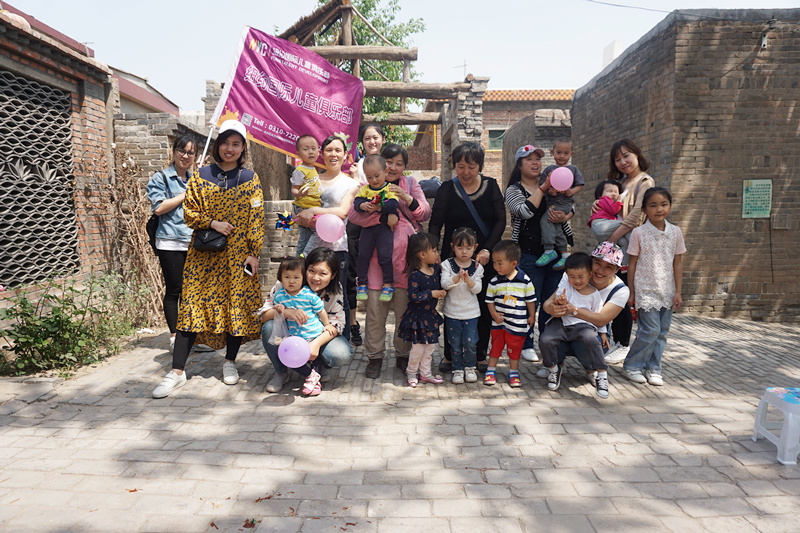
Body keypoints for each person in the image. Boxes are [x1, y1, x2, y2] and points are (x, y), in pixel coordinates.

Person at [152, 119, 264, 399]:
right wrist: (213, 222)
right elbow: (189, 213)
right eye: (225, 142)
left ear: (243, 148)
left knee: (235, 305)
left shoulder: (251, 179)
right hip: (203, 255)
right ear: (217, 145)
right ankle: (177, 371)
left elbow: (256, 219)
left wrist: (254, 252)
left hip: (239, 255)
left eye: (236, 144)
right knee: (191, 306)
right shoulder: (200, 175)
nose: (230, 148)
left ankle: (230, 362)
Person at [348, 144, 431, 378]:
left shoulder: (411, 184)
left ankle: (403, 356)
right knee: (375, 314)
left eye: (399, 163)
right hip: (376, 264)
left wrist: (406, 199)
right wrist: (383, 216)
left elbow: (424, 213)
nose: (393, 167)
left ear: (405, 166)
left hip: (406, 264)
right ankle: (374, 357)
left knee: (404, 313)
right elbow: (354, 216)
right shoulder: (366, 187)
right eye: (389, 162)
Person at [429, 142, 506, 374]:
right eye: (460, 166)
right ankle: (450, 356)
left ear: (480, 166)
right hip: (452, 259)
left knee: (481, 304)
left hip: (482, 258)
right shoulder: (446, 188)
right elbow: (435, 223)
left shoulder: (491, 187)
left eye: (471, 167)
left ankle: (479, 354)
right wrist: (432, 252)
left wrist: (488, 249)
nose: (465, 172)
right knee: (452, 305)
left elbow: (500, 221)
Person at [505, 144, 575, 363]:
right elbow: (524, 212)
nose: (535, 163)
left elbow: (569, 204)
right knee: (528, 300)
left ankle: (547, 341)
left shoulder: (556, 184)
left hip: (556, 253)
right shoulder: (514, 190)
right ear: (519, 164)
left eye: (538, 159)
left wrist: (567, 215)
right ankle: (526, 343)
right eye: (529, 159)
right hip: (528, 254)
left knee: (550, 300)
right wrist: (543, 189)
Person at [146, 135, 210, 353]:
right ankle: (175, 339)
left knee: (193, 292)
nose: (186, 156)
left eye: (190, 153)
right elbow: (158, 208)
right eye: (182, 151)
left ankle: (193, 337)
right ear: (173, 152)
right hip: (170, 241)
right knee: (175, 290)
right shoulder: (161, 178)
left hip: (194, 242)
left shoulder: (194, 178)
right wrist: (187, 193)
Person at [260, 248, 352, 393]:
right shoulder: (286, 283)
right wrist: (288, 312)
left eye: (323, 273)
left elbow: (337, 325)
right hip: (290, 331)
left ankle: (319, 366)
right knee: (269, 328)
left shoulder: (336, 290)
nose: (316, 278)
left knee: (340, 353)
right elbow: (264, 315)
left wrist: (315, 345)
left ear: (333, 275)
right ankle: (281, 372)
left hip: (316, 333)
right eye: (312, 271)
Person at [538, 242, 630, 385]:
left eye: (608, 267)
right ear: (590, 262)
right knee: (548, 338)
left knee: (590, 342)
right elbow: (547, 303)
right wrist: (552, 309)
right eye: (597, 263)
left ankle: (591, 369)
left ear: (617, 269)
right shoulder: (574, 274)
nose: (600, 270)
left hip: (593, 329)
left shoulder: (620, 290)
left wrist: (573, 310)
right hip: (564, 325)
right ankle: (555, 364)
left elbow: (601, 320)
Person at [297, 134, 360, 340]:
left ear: (345, 155)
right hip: (309, 245)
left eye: (338, 150)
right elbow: (300, 208)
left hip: (336, 248)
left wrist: (315, 210)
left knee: (338, 296)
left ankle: (342, 341)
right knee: (306, 293)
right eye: (329, 150)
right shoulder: (311, 178)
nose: (333, 154)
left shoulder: (351, 184)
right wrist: (304, 216)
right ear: (321, 154)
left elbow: (342, 212)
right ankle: (307, 336)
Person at [598, 139, 655, 363]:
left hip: (631, 247)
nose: (622, 162)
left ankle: (626, 345)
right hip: (618, 247)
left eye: (626, 156)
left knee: (626, 295)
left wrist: (612, 238)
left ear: (637, 155)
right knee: (614, 293)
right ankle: (618, 343)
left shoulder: (645, 182)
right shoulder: (620, 183)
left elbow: (638, 215)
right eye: (617, 158)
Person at [622, 187, 685, 386]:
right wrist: (631, 292)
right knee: (649, 330)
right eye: (653, 205)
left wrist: (678, 291)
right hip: (645, 290)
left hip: (666, 290)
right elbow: (631, 264)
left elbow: (678, 263)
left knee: (662, 332)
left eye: (664, 204)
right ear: (644, 209)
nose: (659, 209)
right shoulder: (638, 233)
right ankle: (633, 365)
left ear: (670, 206)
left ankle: (654, 367)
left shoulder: (675, 232)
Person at [538, 253, 609, 398]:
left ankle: (601, 374)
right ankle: (553, 368)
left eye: (580, 277)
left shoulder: (595, 294)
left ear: (589, 274)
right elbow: (556, 303)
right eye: (572, 276)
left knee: (591, 339)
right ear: (566, 275)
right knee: (545, 340)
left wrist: (602, 333)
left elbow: (598, 315)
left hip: (583, 326)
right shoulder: (565, 287)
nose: (576, 281)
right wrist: (560, 301)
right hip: (561, 323)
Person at [268, 257, 338, 396]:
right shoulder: (280, 295)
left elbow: (321, 310)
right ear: (280, 278)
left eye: (296, 277)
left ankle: (314, 381)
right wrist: (281, 309)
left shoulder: (308, 294)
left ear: (303, 278)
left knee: (314, 359)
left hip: (314, 333)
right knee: (293, 359)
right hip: (295, 337)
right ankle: (311, 376)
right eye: (287, 277)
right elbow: (277, 309)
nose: (291, 281)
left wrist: (327, 324)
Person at [347, 124, 386, 345]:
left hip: (382, 223)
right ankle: (353, 323)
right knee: (353, 271)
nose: (372, 142)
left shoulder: (389, 161)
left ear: (382, 139)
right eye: (367, 138)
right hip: (359, 223)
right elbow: (355, 195)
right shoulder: (356, 165)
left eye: (375, 137)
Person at [484, 240, 537, 387]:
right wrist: (494, 314)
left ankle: (514, 372)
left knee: (515, 349)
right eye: (494, 262)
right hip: (499, 323)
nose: (496, 266)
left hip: (518, 324)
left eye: (500, 263)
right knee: (495, 347)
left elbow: (530, 300)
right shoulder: (494, 281)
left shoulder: (525, 281)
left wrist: (532, 315)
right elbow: (489, 300)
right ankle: (490, 370)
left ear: (514, 264)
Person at [397, 233, 445, 387]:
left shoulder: (435, 270)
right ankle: (411, 372)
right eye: (435, 250)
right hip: (418, 318)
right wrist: (432, 293)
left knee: (430, 347)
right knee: (417, 348)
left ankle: (425, 373)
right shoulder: (416, 275)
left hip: (430, 317)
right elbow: (413, 296)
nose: (437, 254)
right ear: (422, 254)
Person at [353, 154, 399, 302]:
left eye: (377, 176)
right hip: (368, 229)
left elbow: (393, 205)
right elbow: (356, 203)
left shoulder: (390, 188)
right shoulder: (365, 189)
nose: (373, 180)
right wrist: (361, 205)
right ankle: (361, 283)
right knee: (363, 255)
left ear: (385, 172)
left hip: (384, 229)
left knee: (385, 256)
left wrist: (379, 207)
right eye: (369, 177)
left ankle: (388, 284)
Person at [441, 227, 483, 384]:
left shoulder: (477, 267)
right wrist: (457, 278)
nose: (464, 251)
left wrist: (468, 280)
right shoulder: (447, 264)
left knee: (470, 342)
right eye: (460, 247)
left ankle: (470, 366)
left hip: (471, 312)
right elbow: (444, 284)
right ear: (452, 247)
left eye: (468, 248)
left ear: (475, 248)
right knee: (455, 343)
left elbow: (477, 289)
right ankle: (457, 369)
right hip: (452, 312)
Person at [536, 138, 584, 270]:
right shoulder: (549, 170)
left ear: (571, 154)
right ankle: (564, 254)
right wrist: (549, 191)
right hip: (551, 202)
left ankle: (549, 249)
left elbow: (580, 185)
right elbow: (543, 186)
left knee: (546, 221)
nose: (562, 156)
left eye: (566, 153)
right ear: (552, 152)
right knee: (556, 227)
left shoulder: (573, 169)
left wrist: (571, 191)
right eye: (558, 152)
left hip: (564, 203)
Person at [290, 134, 321, 256]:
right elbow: (294, 190)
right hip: (304, 207)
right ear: (298, 154)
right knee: (318, 231)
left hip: (310, 207)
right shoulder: (299, 170)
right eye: (306, 149)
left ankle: (299, 259)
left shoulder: (314, 169)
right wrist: (300, 194)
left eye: (314, 148)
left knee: (304, 237)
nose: (311, 152)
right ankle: (306, 255)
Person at [588, 180, 629, 252]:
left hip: (605, 230)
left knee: (624, 243)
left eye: (616, 192)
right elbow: (613, 210)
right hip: (601, 224)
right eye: (610, 191)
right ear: (600, 195)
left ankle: (624, 263)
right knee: (628, 224)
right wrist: (619, 201)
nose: (613, 194)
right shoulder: (604, 199)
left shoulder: (607, 202)